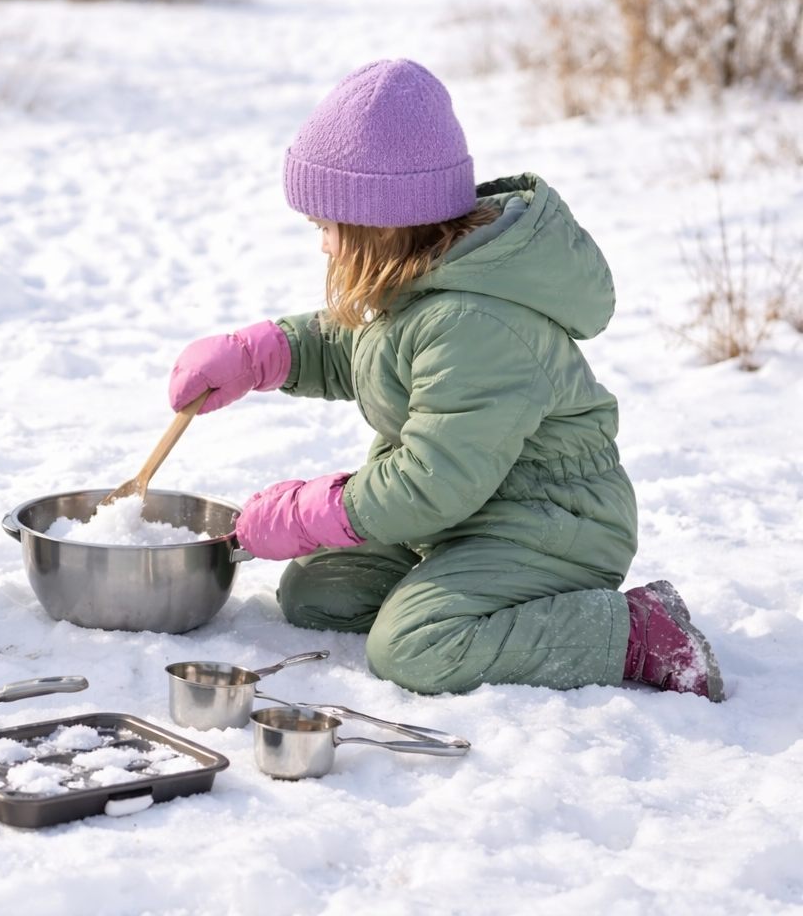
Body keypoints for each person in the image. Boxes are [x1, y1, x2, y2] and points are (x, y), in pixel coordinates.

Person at [168, 59, 723, 701]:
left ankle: (636, 632)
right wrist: (261, 354)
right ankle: (458, 593)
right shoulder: (428, 277)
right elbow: (366, 350)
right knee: (321, 594)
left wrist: (310, 512)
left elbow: (432, 480)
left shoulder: (473, 323)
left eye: (326, 227)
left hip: (548, 525)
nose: (323, 245)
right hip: (461, 514)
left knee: (415, 648)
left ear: (381, 222)